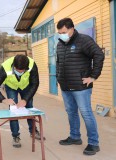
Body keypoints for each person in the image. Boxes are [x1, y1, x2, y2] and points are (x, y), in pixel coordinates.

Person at [56, 18, 104, 155]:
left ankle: (94, 143)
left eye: (64, 32)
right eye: (59, 32)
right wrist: (58, 78)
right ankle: (75, 137)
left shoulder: (84, 40)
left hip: (81, 87)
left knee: (86, 114)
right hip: (65, 86)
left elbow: (99, 55)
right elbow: (58, 62)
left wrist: (93, 76)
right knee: (71, 112)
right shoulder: (60, 44)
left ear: (71, 29)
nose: (61, 34)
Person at [0, 54, 42, 148]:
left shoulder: (32, 65)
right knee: (13, 110)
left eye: (23, 71)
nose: (20, 72)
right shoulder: (5, 67)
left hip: (26, 86)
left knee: (29, 107)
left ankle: (33, 131)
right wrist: (3, 99)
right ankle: (15, 136)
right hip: (11, 87)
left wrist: (25, 99)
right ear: (14, 66)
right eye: (18, 70)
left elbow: (35, 83)